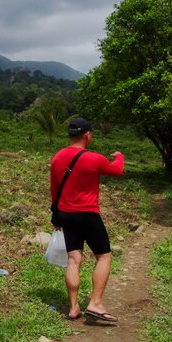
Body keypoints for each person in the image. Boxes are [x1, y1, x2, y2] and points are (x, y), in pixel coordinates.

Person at [50, 118, 123, 323]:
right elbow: (117, 170)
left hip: (65, 214)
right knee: (104, 256)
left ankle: (74, 307)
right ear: (88, 135)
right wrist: (120, 156)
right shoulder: (93, 158)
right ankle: (96, 303)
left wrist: (56, 216)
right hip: (88, 214)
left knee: (73, 260)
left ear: (70, 135)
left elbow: (55, 190)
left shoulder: (57, 158)